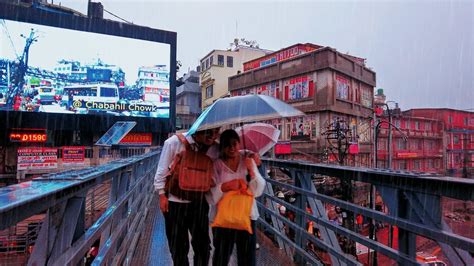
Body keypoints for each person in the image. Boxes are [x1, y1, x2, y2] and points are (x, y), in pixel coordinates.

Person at [154, 127, 220, 266]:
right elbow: (161, 170)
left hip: (199, 202)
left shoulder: (214, 148)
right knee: (178, 247)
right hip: (174, 202)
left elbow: (222, 168)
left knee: (203, 246)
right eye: (209, 132)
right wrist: (161, 195)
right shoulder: (173, 142)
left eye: (216, 132)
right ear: (199, 129)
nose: (213, 136)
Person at [209, 129, 266, 266]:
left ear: (240, 144)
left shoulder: (247, 160)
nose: (232, 148)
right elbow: (211, 197)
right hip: (223, 217)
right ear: (222, 147)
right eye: (228, 145)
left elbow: (258, 191)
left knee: (247, 259)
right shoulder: (217, 165)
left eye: (235, 144)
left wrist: (252, 171)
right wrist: (225, 186)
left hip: (246, 216)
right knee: (220, 258)